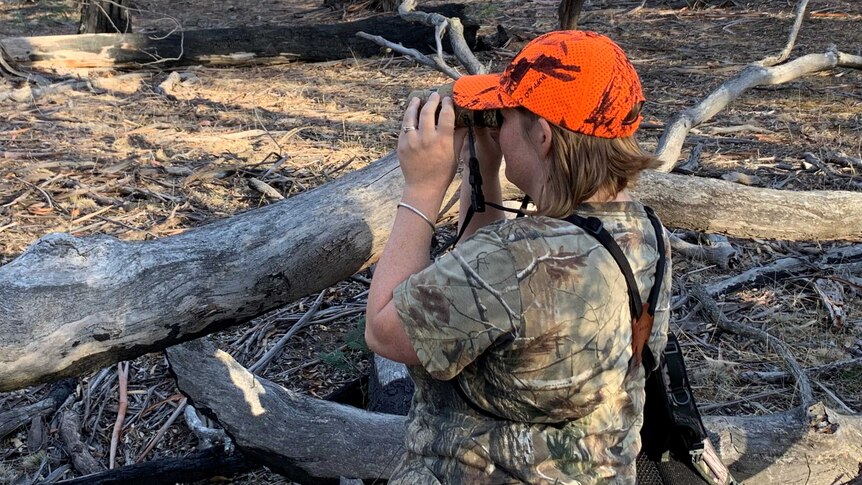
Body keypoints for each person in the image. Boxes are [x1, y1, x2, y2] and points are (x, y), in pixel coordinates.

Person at [365, 30, 672, 484]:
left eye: (505, 118)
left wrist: (422, 190)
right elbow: (481, 296)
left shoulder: (517, 257)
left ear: (543, 136)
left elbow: (385, 332)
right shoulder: (646, 230)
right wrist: (483, 170)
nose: (498, 129)